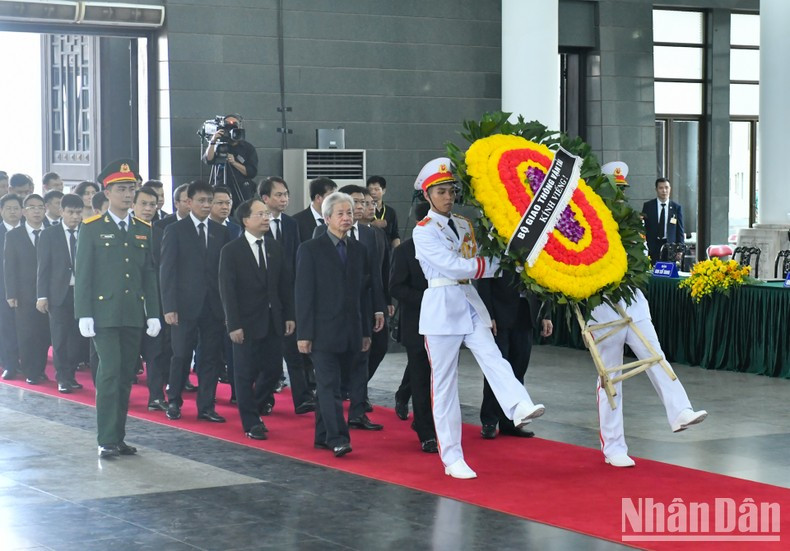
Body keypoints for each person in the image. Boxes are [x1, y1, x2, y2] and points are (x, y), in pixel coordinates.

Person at [412, 157, 546, 479]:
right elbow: (453, 266)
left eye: (451, 190)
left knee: (493, 356)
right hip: (442, 307)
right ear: (427, 196)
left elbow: (474, 259)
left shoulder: (463, 224)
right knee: (445, 385)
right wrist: (491, 265)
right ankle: (452, 457)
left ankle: (518, 406)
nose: (448, 196)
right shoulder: (424, 232)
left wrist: (508, 255)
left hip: (469, 302)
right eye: (441, 191)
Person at [74, 159, 161, 458]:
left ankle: (118, 437)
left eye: (131, 189)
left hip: (132, 313)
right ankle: (106, 438)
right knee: (109, 372)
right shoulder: (93, 228)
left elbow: (148, 273)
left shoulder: (143, 228)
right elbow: (84, 273)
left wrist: (153, 312)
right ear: (107, 192)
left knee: (125, 375)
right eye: (122, 189)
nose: (128, 195)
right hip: (103, 314)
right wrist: (83, 312)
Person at [589, 289, 707, 467]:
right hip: (601, 309)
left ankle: (680, 411)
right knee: (610, 375)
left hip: (634, 304)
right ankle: (614, 447)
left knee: (656, 357)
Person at [295, 192, 373, 457]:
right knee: (328, 386)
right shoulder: (310, 249)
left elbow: (363, 294)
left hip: (351, 331)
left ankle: (322, 436)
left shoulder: (359, 250)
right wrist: (303, 334)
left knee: (338, 387)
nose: (346, 218)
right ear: (327, 218)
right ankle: (338, 438)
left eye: (349, 213)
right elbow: (303, 294)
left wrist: (365, 332)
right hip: (321, 332)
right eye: (340, 213)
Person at [219, 199, 294, 440]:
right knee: (243, 374)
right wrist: (233, 324)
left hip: (273, 321)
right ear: (245, 220)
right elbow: (227, 291)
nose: (266, 218)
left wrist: (289, 316)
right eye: (260, 214)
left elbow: (285, 285)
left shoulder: (275, 247)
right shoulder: (231, 250)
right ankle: (251, 422)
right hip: (245, 323)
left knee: (273, 371)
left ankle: (255, 406)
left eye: (267, 214)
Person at [313, 185, 385, 427]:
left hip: (361, 308)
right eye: (345, 209)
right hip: (331, 315)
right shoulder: (319, 235)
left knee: (362, 362)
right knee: (334, 370)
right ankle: (330, 419)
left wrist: (379, 308)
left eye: (354, 208)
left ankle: (357, 411)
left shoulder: (369, 234)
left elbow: (375, 274)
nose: (350, 214)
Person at [160, 181, 230, 423]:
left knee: (211, 357)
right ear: (188, 202)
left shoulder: (221, 231)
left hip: (213, 306)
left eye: (209, 201)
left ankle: (206, 406)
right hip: (184, 306)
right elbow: (167, 271)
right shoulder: (175, 230)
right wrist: (169, 307)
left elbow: (225, 273)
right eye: (201, 200)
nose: (206, 205)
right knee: (180, 355)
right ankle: (174, 401)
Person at [259, 176, 314, 414]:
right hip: (263, 299)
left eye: (286, 194)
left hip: (289, 295)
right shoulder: (254, 223)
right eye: (279, 195)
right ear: (265, 198)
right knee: (268, 355)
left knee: (294, 351)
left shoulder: (291, 224)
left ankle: (302, 398)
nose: (284, 199)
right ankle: (263, 397)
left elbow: (297, 259)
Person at [477, 271, 553, 439]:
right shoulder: (495, 246)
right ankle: (489, 421)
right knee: (497, 370)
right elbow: (484, 282)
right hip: (499, 313)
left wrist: (546, 314)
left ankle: (511, 421)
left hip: (526, 313)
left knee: (519, 368)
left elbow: (546, 279)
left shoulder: (535, 248)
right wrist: (487, 315)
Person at [389, 201, 437, 453]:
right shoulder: (405, 250)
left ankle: (435, 425)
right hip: (417, 324)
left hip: (444, 327)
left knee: (440, 380)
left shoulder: (447, 247)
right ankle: (425, 431)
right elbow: (395, 286)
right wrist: (430, 297)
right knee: (420, 379)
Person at [35, 193, 86, 393]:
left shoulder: (86, 231)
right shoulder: (49, 234)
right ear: (61, 211)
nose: (75, 217)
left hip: (81, 293)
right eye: (71, 212)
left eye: (78, 213)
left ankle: (71, 374)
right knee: (60, 338)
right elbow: (43, 267)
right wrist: (42, 296)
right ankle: (62, 377)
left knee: (77, 338)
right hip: (58, 294)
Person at [4, 193, 52, 386]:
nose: (37, 211)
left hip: (47, 292)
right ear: (24, 212)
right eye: (32, 207)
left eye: (40, 207)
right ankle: (30, 370)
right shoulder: (13, 235)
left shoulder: (52, 231)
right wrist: (11, 293)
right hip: (24, 293)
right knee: (26, 333)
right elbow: (10, 266)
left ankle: (40, 369)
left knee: (44, 333)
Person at [132, 187, 171, 412]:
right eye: (144, 204)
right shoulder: (122, 232)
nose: (148, 209)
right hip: (128, 304)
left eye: (152, 205)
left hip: (154, 303)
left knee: (156, 353)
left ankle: (156, 395)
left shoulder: (161, 233)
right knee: (127, 355)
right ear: (133, 205)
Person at [204, 114, 258, 209]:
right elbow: (208, 160)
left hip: (241, 190)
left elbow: (251, 172)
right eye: (227, 126)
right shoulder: (218, 145)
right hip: (220, 188)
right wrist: (212, 141)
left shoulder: (247, 148)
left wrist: (234, 163)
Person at [0, 194, 22, 380]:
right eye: (9, 208)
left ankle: (28, 363)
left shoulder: (29, 231)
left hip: (26, 289)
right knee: (6, 327)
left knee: (26, 328)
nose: (13, 211)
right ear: (1, 211)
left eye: (16, 208)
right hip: (2, 288)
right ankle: (9, 364)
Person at [642, 177, 684, 264]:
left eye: (666, 187)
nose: (664, 191)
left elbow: (680, 230)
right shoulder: (648, 206)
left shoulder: (676, 208)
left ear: (670, 189)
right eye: (661, 188)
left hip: (670, 247)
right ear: (656, 189)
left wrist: (680, 249)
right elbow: (644, 227)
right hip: (653, 246)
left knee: (668, 272)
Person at [292, 177, 337, 244]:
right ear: (318, 198)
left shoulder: (337, 218)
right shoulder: (296, 221)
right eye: (331, 197)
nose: (335, 201)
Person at [367, 175, 400, 248]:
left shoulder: (391, 212)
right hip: (369, 249)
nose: (373, 192)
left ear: (384, 191)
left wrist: (398, 252)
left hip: (387, 251)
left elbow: (395, 235)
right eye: (370, 189)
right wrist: (371, 224)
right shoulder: (364, 210)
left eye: (376, 189)